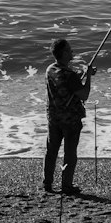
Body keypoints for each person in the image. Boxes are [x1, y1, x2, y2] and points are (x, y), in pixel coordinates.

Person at [43, 37, 95, 195]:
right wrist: (89, 77)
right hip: (70, 120)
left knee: (51, 150)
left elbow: (65, 81)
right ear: (64, 53)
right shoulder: (70, 75)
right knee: (70, 153)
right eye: (69, 50)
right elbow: (84, 95)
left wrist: (83, 74)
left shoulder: (50, 69)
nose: (72, 52)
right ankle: (66, 185)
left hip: (53, 117)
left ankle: (47, 183)